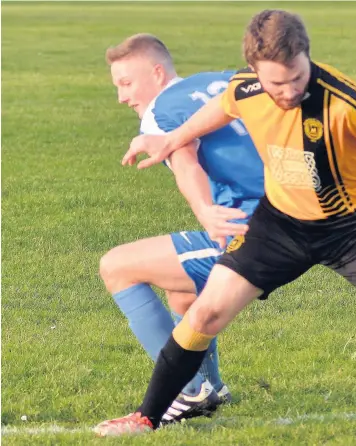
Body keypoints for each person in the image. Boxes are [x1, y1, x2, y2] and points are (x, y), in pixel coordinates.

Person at [95, 11, 356, 443]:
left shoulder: (344, 101)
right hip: (279, 224)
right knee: (205, 312)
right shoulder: (245, 87)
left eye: (296, 78)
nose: (287, 91)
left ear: (307, 58)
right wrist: (172, 140)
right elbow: (222, 107)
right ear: (254, 71)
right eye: (275, 83)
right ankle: (146, 417)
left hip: (354, 226)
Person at [100, 33, 264, 424]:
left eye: (126, 83)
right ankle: (209, 387)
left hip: (257, 232)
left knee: (116, 266)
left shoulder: (159, 113)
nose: (122, 97)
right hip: (295, 207)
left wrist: (206, 210)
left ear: (156, 73)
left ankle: (186, 389)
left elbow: (186, 161)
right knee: (182, 291)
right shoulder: (219, 80)